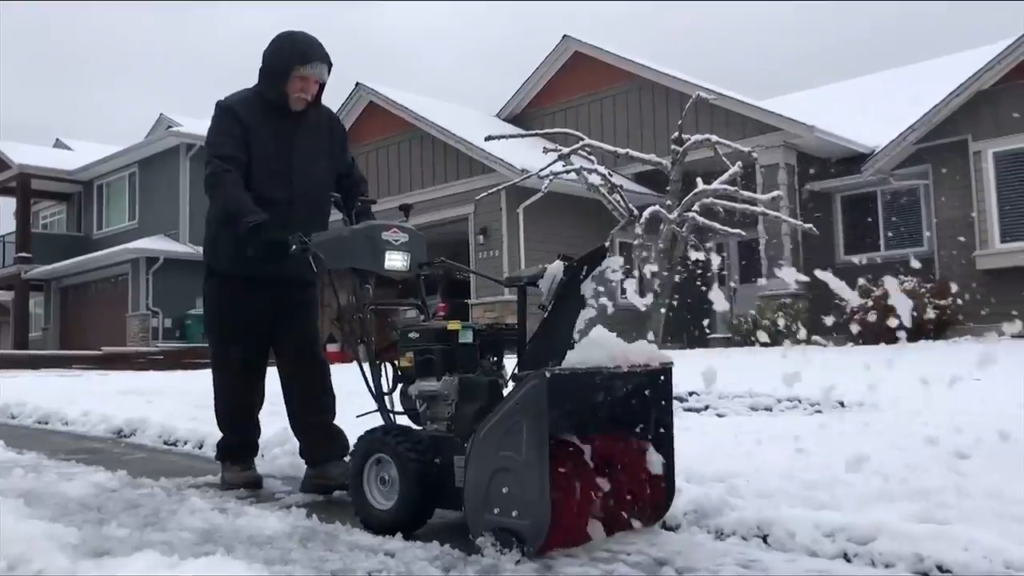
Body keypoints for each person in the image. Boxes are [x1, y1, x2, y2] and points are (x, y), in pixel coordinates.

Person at [201, 30, 369, 494]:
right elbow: (222, 175)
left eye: (317, 83)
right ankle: (237, 457)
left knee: (307, 366)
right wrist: (252, 223)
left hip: (296, 266)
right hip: (238, 266)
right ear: (277, 75)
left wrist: (364, 215)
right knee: (239, 367)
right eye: (301, 79)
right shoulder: (235, 114)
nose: (309, 90)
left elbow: (349, 180)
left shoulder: (327, 127)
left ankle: (325, 460)